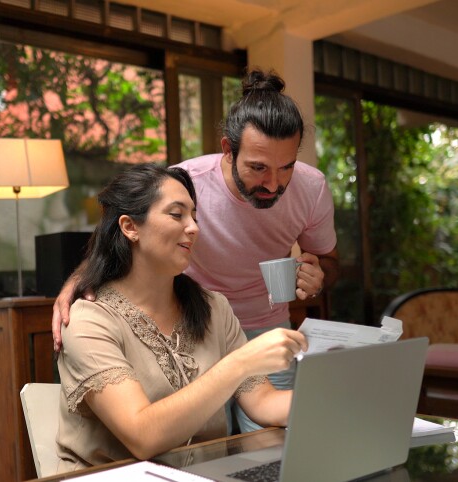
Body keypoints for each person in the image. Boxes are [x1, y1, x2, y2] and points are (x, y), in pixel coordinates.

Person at [53, 68, 339, 432]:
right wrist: (77, 282)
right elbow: (116, 234)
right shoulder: (185, 184)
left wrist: (349, 389)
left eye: (286, 168)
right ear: (227, 149)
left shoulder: (310, 189)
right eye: (257, 168)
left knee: (270, 446)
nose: (273, 183)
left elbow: (269, 406)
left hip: (250, 325)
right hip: (194, 325)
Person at [55, 163, 307, 472]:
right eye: (177, 215)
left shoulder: (214, 308)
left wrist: (332, 397)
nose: (194, 228)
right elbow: (142, 436)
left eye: (195, 217)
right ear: (130, 227)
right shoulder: (89, 321)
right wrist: (240, 363)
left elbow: (263, 402)